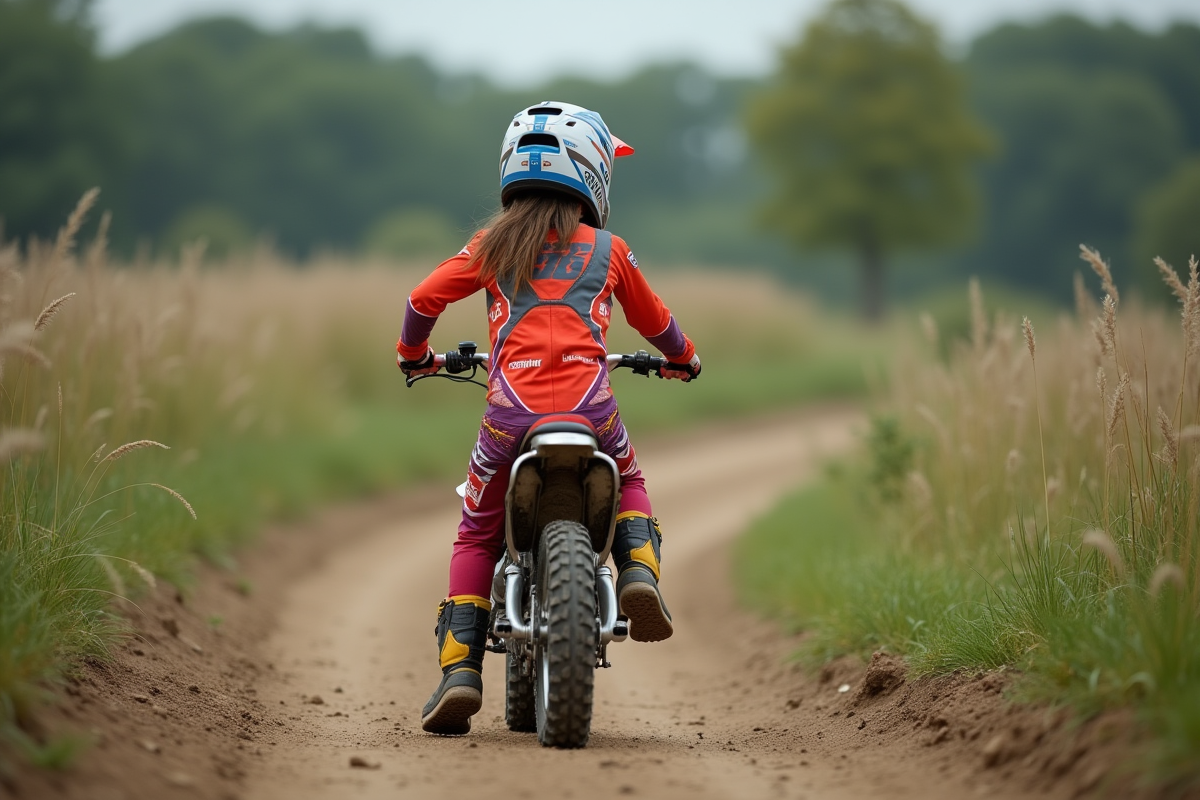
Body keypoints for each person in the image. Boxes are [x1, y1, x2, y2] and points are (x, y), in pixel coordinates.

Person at [396, 101, 701, 736]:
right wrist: (684, 359)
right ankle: (639, 574)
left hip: (510, 416)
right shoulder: (610, 251)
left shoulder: (491, 246)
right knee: (631, 479)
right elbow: (657, 323)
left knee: (476, 533)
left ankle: (460, 671)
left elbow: (422, 298)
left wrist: (415, 354)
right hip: (591, 406)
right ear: (594, 175)